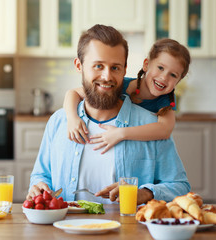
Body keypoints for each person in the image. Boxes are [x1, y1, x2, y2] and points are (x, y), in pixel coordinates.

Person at [27, 24, 190, 204]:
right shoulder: (59, 121)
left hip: (128, 231)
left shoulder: (151, 124)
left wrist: (143, 193)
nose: (106, 77)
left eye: (115, 68)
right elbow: (40, 175)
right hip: (63, 230)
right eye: (98, 66)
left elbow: (179, 186)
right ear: (79, 65)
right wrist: (38, 186)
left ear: (125, 69)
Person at [63, 38, 191, 154]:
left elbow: (164, 130)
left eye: (173, 75)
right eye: (160, 68)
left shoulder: (166, 100)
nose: (164, 77)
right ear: (146, 64)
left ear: (179, 80)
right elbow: (72, 93)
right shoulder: (119, 86)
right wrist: (72, 118)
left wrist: (120, 133)